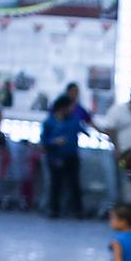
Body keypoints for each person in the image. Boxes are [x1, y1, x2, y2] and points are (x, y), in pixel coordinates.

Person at [41, 83, 91, 219]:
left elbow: (86, 130)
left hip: (71, 156)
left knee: (74, 183)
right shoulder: (49, 122)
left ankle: (78, 210)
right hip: (55, 157)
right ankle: (54, 209)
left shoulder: (74, 121)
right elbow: (44, 142)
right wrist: (54, 142)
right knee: (56, 184)